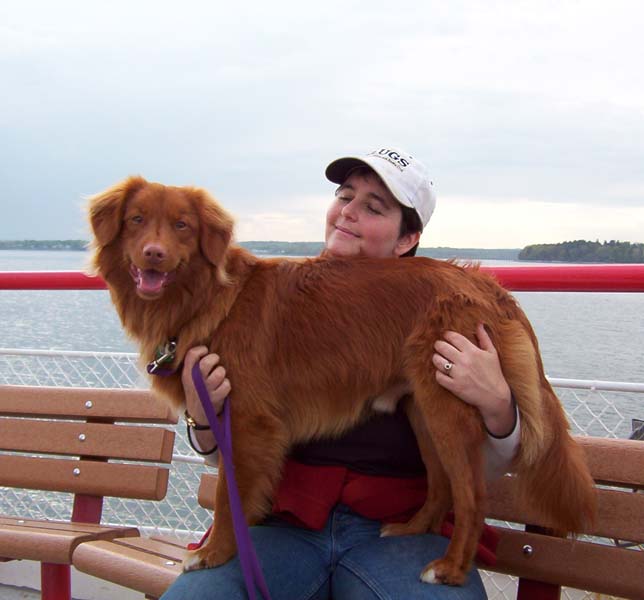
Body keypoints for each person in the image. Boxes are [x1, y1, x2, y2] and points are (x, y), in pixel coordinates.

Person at [161, 147, 519, 600]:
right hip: (286, 528)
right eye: (344, 196)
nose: (348, 212)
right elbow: (233, 450)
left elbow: (481, 465)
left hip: (393, 536)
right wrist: (202, 419)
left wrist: (499, 407)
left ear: (406, 239)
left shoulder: (436, 306)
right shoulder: (267, 294)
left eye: (373, 207)